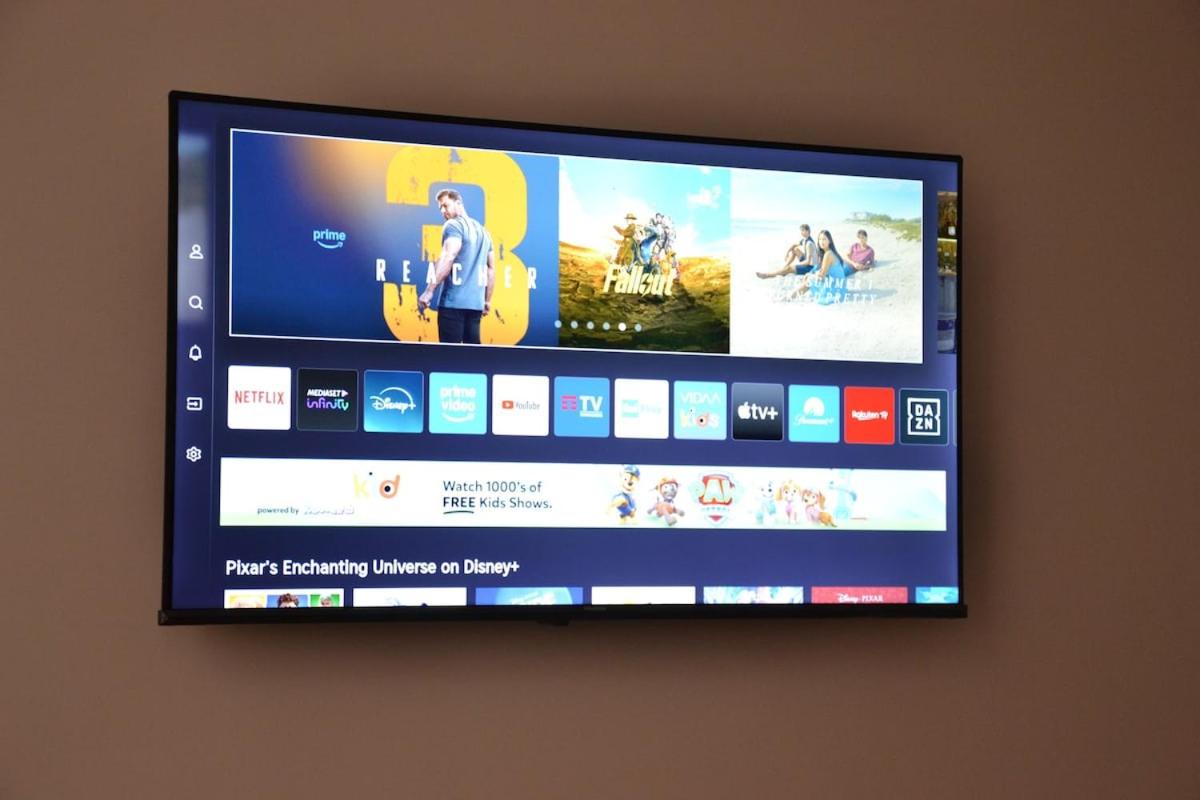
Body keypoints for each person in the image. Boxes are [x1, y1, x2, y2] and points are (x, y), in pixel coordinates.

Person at [418, 189, 496, 344]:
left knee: (449, 356)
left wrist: (429, 291)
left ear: (458, 203)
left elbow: (449, 256)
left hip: (453, 304)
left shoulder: (453, 225)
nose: (443, 211)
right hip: (475, 306)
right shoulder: (484, 232)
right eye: (440, 207)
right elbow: (491, 269)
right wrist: (487, 301)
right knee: (472, 356)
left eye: (445, 205)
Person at [796, 229, 850, 304]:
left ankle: (790, 297)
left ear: (829, 241)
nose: (821, 242)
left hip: (835, 290)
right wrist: (811, 274)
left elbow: (821, 276)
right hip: (840, 288)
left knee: (809, 281)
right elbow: (820, 270)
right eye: (820, 239)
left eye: (824, 239)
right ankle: (794, 294)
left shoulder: (828, 254)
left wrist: (810, 275)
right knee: (810, 277)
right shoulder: (828, 252)